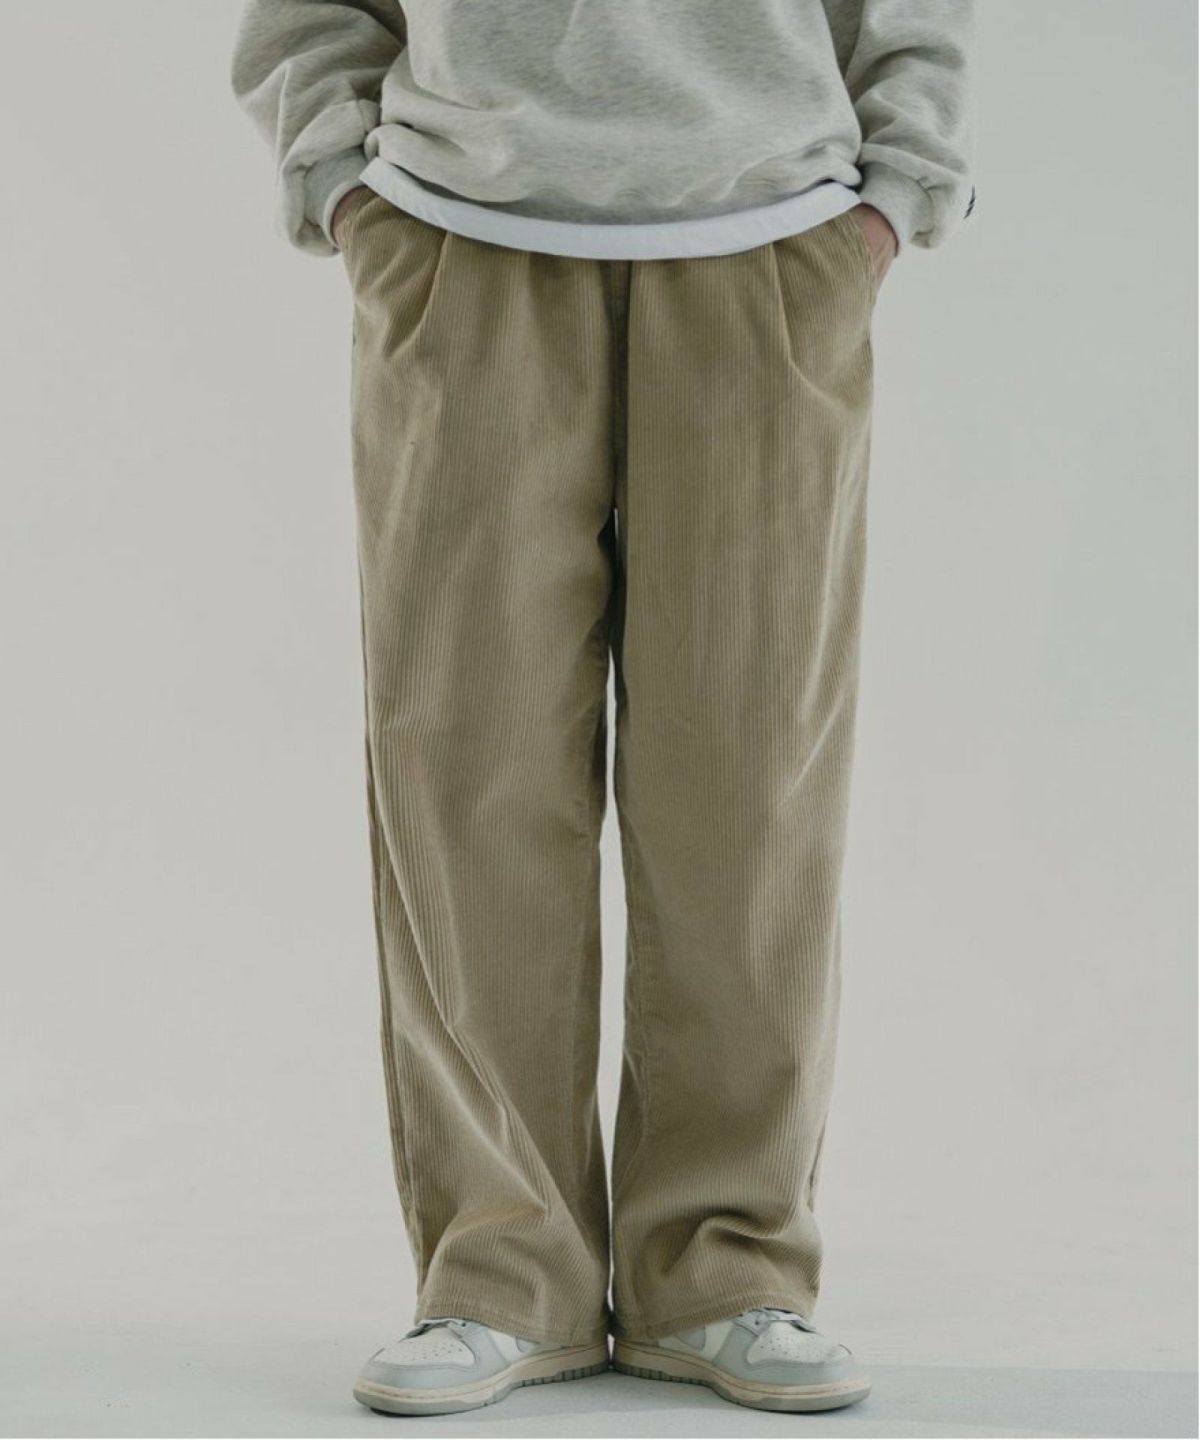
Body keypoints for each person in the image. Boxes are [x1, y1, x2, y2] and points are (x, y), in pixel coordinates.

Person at [232, 0, 973, 1416]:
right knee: (467, 777)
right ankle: (499, 1270)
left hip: (770, 243)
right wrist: (341, 186)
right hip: (461, 239)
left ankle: (727, 1268)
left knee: (750, 793)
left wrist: (893, 196)